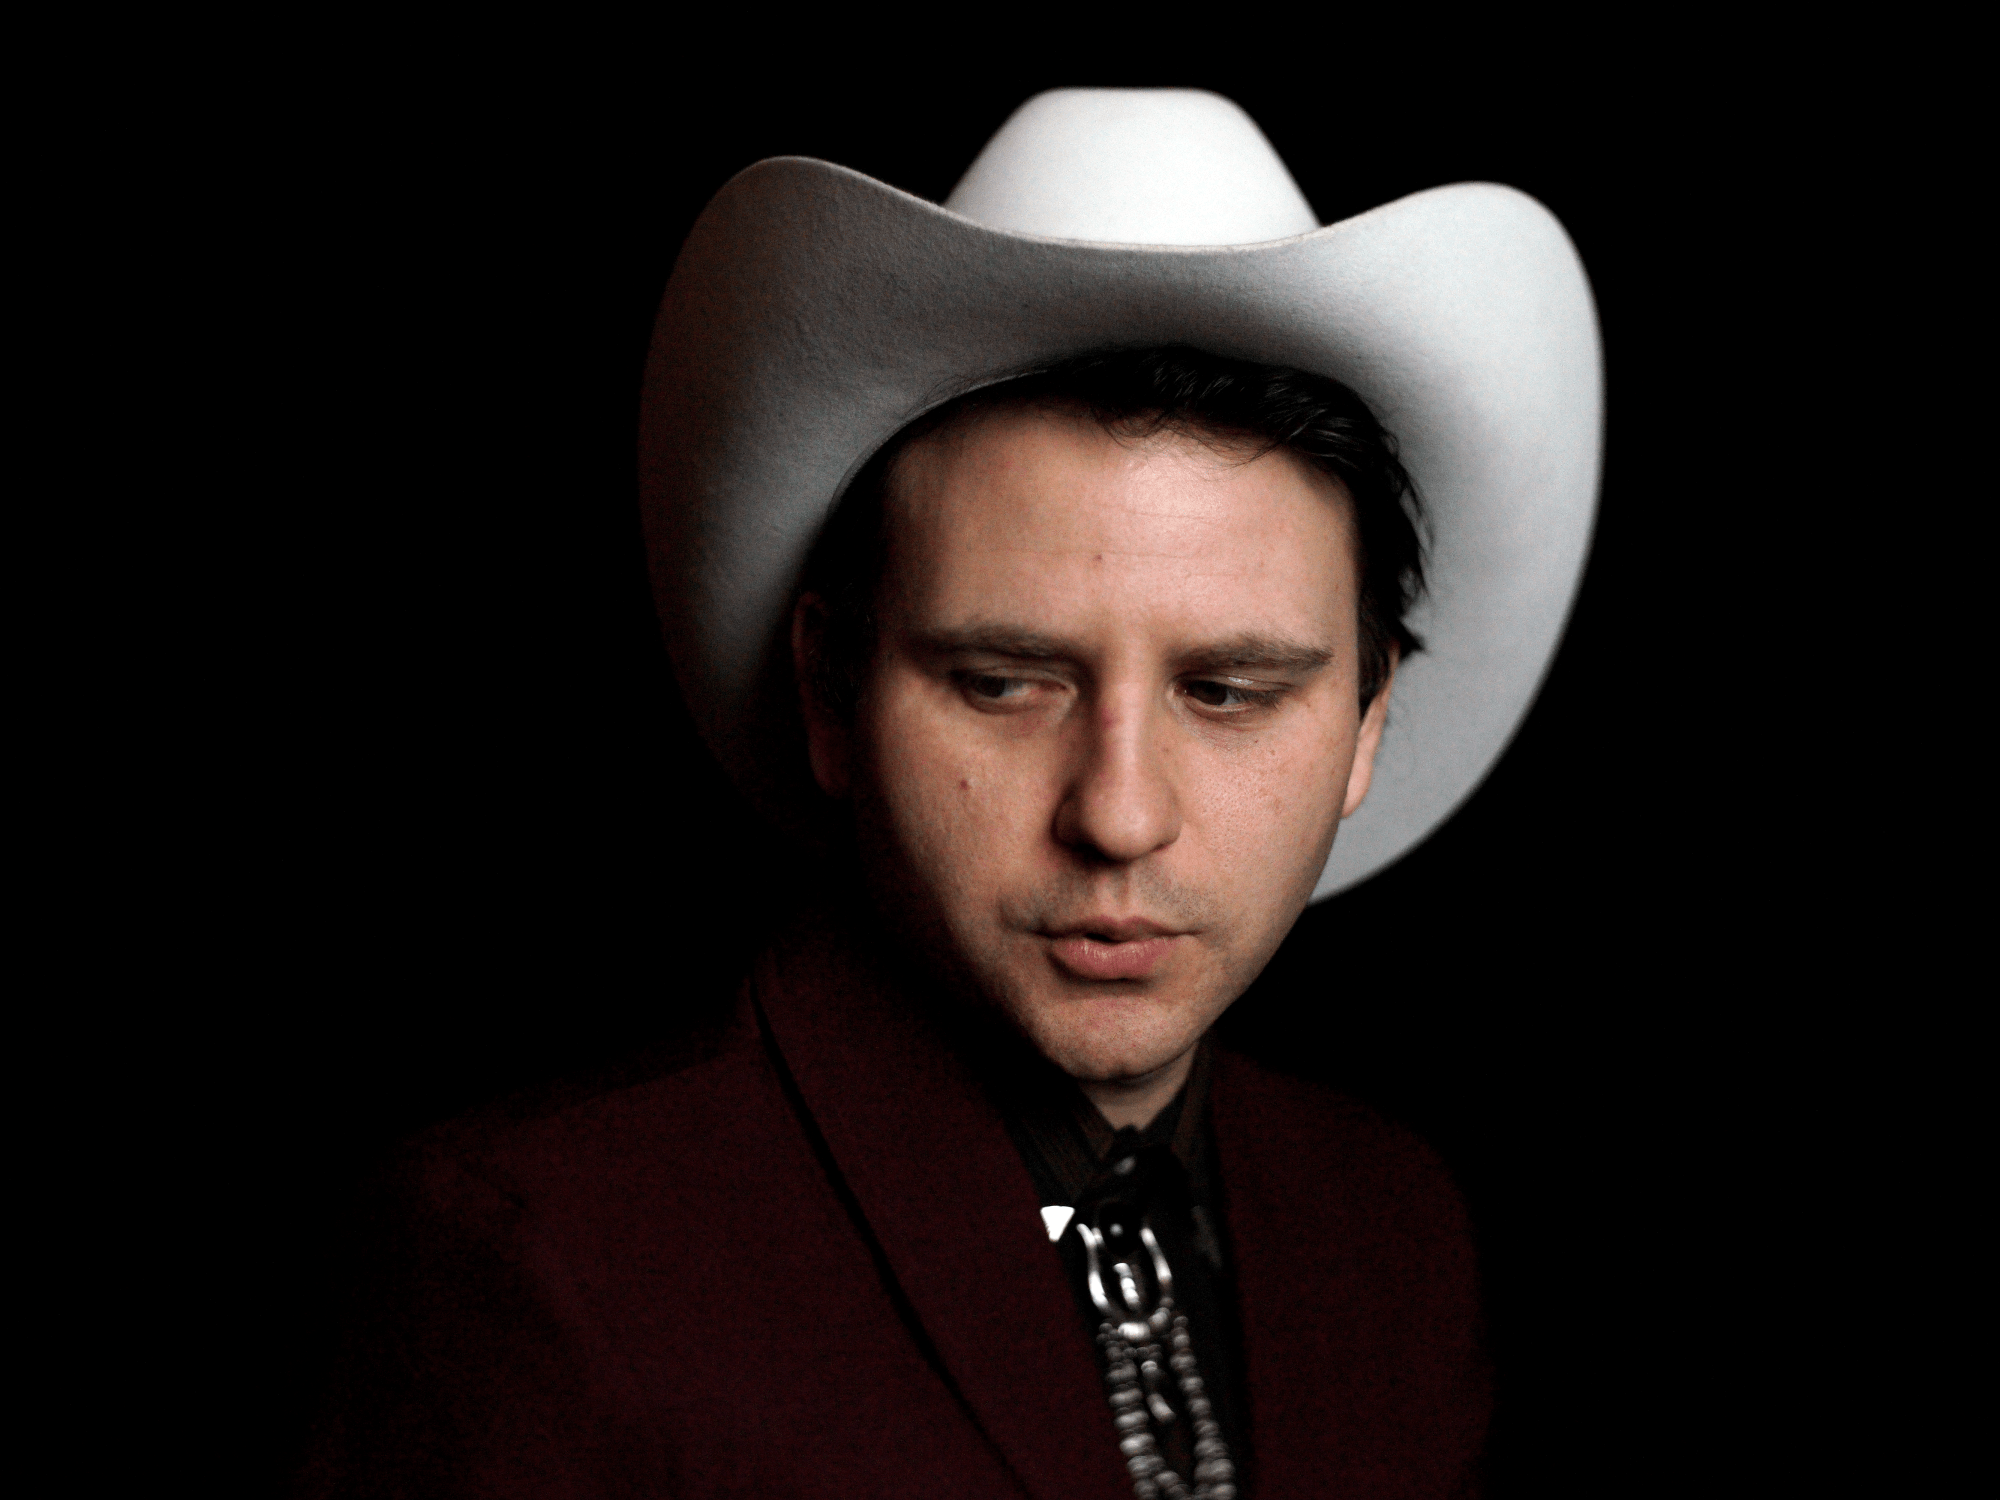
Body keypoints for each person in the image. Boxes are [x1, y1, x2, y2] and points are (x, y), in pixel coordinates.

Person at [302, 88, 1599, 1499]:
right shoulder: (549, 1258)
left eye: (1229, 692)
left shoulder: (1395, 1233)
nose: (1118, 815)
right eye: (1002, 680)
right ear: (829, 688)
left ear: (1367, 720)